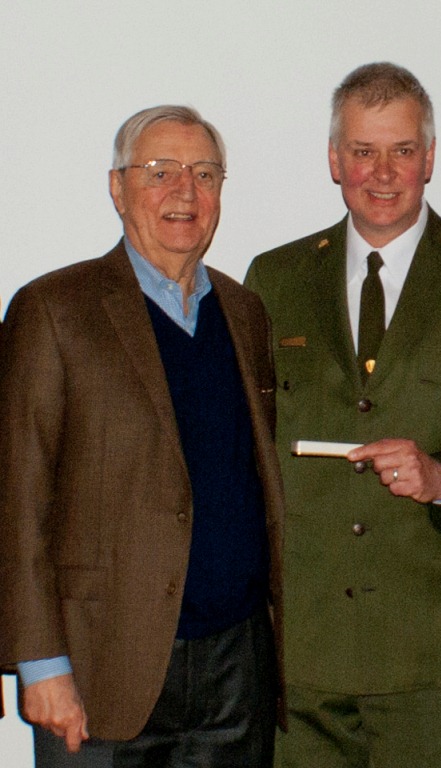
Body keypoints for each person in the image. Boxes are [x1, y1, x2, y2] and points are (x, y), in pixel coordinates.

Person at [0, 105, 285, 768]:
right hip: (103, 668)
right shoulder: (53, 310)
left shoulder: (245, 313)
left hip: (237, 665)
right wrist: (41, 664)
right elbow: (16, 498)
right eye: (160, 172)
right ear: (117, 187)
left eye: (204, 173)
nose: (185, 191)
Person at [245, 62, 441, 768]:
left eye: (402, 151)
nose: (382, 172)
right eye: (363, 151)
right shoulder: (275, 278)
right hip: (307, 651)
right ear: (335, 160)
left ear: (429, 158)